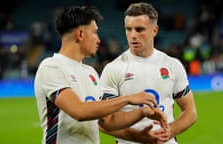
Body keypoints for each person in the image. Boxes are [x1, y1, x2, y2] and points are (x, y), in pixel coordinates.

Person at [34, 6, 167, 144]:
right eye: (95, 33)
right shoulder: (52, 67)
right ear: (80, 34)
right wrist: (127, 99)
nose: (98, 40)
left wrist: (142, 113)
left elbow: (108, 121)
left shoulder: (90, 73)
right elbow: (79, 111)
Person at [99, 2, 197, 144]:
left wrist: (171, 130)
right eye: (129, 29)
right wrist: (137, 137)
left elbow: (190, 111)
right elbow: (102, 122)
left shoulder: (172, 65)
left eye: (139, 29)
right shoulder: (114, 69)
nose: (133, 35)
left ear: (154, 30)